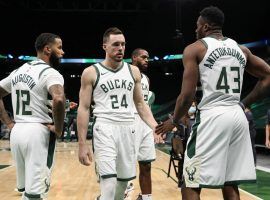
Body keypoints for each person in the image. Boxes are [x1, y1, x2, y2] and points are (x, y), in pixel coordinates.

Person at [156, 6, 270, 200]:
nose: (195, 30)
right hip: (237, 116)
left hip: (212, 116)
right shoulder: (240, 49)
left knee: (190, 180)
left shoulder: (195, 48)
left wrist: (174, 121)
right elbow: (267, 74)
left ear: (206, 27)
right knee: (230, 182)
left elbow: (186, 94)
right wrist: (243, 104)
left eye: (197, 26)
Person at [77, 27, 161, 200]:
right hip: (105, 127)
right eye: (115, 44)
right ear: (105, 46)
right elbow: (83, 108)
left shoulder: (133, 71)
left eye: (123, 44)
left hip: (128, 128)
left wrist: (155, 126)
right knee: (108, 181)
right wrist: (81, 143)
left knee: (123, 183)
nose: (120, 48)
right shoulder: (91, 72)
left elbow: (140, 104)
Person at [0, 32, 65, 200]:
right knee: (36, 193)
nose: (62, 52)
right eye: (59, 47)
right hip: (38, 132)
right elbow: (58, 98)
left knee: (26, 190)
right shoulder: (50, 73)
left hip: (17, 131)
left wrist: (8, 123)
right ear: (47, 49)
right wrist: (58, 129)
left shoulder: (18, 71)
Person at [127, 48, 156, 200]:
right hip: (129, 120)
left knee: (146, 164)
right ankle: (122, 194)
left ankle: (146, 197)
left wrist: (153, 127)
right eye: (143, 57)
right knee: (126, 164)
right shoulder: (126, 73)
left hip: (144, 123)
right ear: (134, 58)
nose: (147, 60)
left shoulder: (146, 79)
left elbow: (146, 105)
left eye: (148, 58)